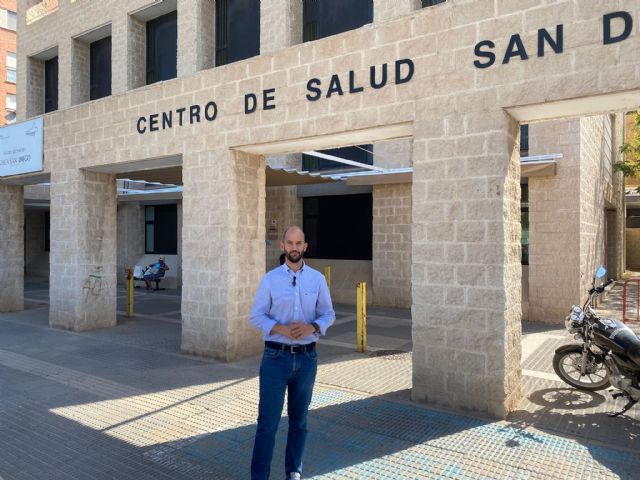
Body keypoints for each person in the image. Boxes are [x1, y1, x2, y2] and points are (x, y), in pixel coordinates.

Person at [250, 226, 335, 480]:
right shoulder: (270, 279)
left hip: (307, 359)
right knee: (267, 424)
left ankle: (293, 471)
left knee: (299, 422)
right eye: (290, 243)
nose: (294, 247)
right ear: (283, 246)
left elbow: (328, 314)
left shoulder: (317, 280)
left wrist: (313, 327)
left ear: (305, 246)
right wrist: (280, 329)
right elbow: (256, 316)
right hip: (275, 358)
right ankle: (259, 476)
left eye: (299, 243)